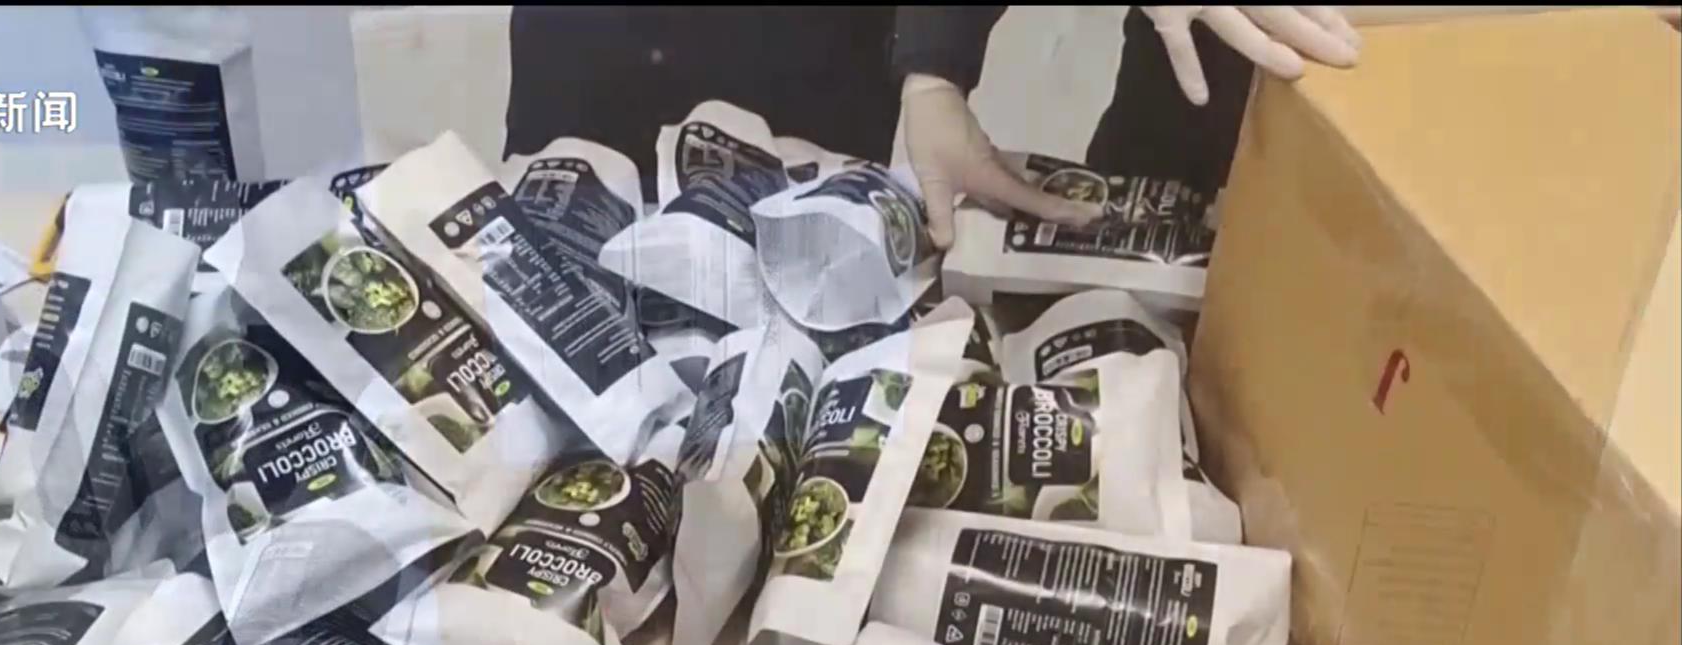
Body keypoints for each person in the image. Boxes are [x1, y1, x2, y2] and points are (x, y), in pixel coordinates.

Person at [504, 6, 1360, 241]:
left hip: (802, 73)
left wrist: (933, 66)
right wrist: (934, 68)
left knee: (796, 265)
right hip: (603, 57)